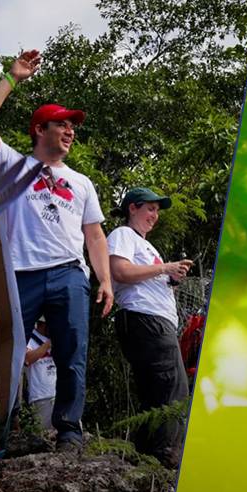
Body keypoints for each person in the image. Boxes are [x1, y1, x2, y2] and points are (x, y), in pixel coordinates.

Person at [0, 48, 113, 451]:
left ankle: (69, 432)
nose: (70, 131)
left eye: (72, 127)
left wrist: (105, 280)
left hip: (69, 273)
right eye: (61, 125)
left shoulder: (82, 182)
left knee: (72, 354)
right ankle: (3, 435)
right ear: (38, 129)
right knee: (10, 354)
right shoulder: (11, 165)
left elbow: (96, 235)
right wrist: (12, 77)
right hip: (21, 272)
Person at [106, 188, 193, 468]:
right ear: (133, 208)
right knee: (173, 389)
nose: (155, 216)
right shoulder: (123, 235)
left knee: (154, 392)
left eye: (157, 211)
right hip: (144, 318)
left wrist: (172, 278)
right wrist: (166, 267)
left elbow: (149, 278)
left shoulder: (148, 247)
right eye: (150, 209)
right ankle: (164, 457)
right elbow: (120, 272)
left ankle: (144, 457)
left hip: (155, 320)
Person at [24, 319, 56, 434]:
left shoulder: (58, 336)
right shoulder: (29, 338)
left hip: (60, 394)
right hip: (41, 397)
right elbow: (27, 359)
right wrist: (47, 345)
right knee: (44, 437)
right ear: (43, 324)